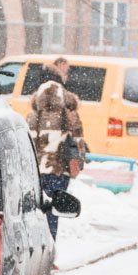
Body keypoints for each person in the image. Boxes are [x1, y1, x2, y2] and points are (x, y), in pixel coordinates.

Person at [27, 57, 84, 240]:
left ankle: (36, 248)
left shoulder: (33, 114)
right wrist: (78, 161)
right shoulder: (70, 114)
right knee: (53, 211)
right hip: (59, 170)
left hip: (37, 171)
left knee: (35, 212)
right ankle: (50, 247)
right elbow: (78, 141)